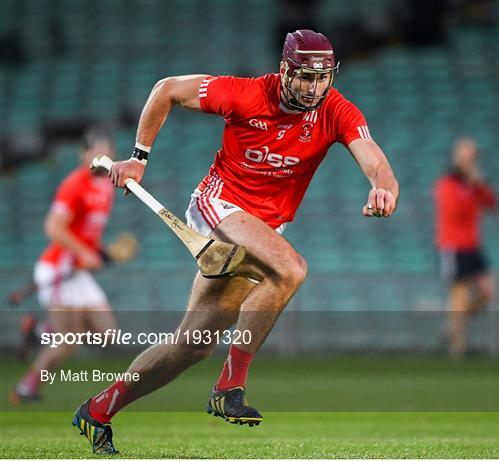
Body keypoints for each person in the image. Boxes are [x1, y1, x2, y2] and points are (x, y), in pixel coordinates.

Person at [72, 30, 399, 455]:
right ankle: (230, 385)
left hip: (264, 229)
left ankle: (97, 410)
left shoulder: (335, 111)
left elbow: (375, 160)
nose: (313, 88)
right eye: (303, 77)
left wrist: (383, 189)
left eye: (322, 79)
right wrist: (139, 157)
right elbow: (166, 90)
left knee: (192, 343)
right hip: (219, 205)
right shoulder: (244, 93)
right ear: (284, 70)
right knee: (292, 268)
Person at [11, 129, 117, 402]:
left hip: (78, 274)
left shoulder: (106, 185)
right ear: (84, 155)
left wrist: (99, 252)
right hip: (59, 270)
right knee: (68, 341)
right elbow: (53, 227)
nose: (102, 157)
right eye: (96, 152)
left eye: (107, 152)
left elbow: (88, 231)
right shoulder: (75, 184)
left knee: (109, 335)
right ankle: (27, 386)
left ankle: (40, 331)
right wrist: (84, 251)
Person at [434, 137, 498, 360]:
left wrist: (477, 184)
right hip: (452, 245)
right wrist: (472, 187)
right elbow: (454, 212)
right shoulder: (447, 184)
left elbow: (492, 203)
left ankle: (453, 326)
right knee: (459, 295)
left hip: (473, 245)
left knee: (488, 291)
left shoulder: (475, 184)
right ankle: (457, 347)